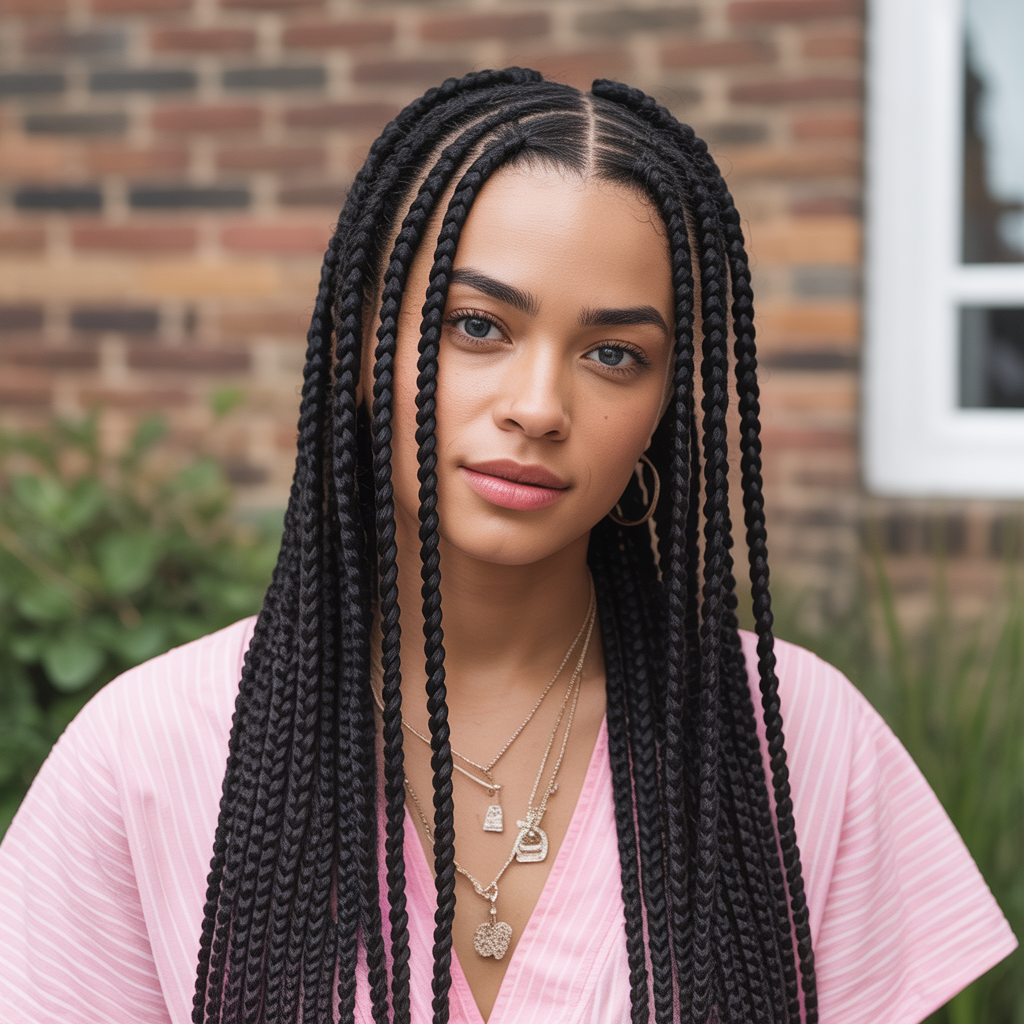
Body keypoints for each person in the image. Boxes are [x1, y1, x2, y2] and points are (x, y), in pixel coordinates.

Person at [0, 69, 1015, 1024]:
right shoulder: (145, 754)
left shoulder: (795, 745)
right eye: (477, 326)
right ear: (362, 350)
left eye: (614, 354)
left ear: (663, 405)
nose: (537, 407)